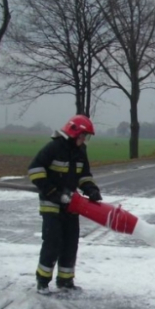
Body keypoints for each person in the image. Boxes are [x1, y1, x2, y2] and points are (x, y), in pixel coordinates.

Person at [27, 115, 102, 294]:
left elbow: (84, 175)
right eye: (83, 136)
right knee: (53, 241)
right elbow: (35, 169)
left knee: (70, 242)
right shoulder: (54, 147)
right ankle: (43, 281)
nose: (84, 140)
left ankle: (65, 281)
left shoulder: (80, 151)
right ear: (73, 132)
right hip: (51, 202)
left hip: (71, 203)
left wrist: (91, 189)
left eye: (86, 137)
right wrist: (52, 192)